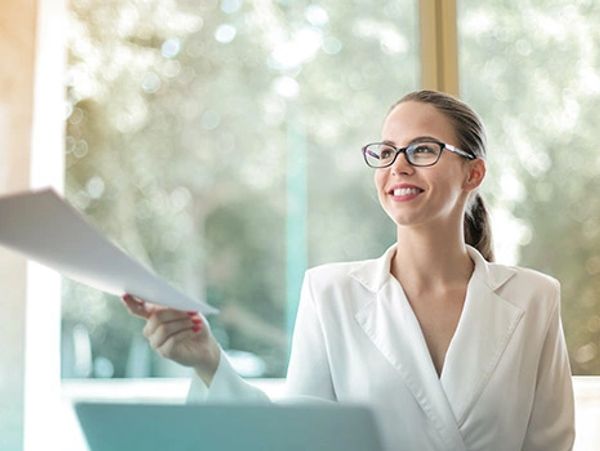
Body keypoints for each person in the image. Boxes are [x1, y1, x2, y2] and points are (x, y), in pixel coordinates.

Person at [123, 90, 575, 451]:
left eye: (421, 149)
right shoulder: (329, 293)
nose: (397, 165)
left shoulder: (534, 298)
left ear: (473, 174)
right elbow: (298, 440)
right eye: (387, 151)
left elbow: (550, 446)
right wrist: (209, 361)